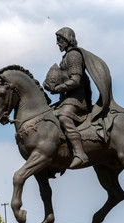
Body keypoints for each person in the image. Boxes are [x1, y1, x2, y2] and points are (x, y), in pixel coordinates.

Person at [50, 27, 92, 169]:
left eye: (59, 39)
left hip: (77, 99)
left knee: (63, 117)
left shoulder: (73, 55)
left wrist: (58, 88)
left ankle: (80, 153)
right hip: (66, 98)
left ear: (67, 39)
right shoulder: (65, 57)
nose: (57, 43)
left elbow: (76, 80)